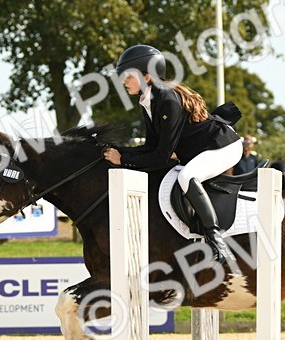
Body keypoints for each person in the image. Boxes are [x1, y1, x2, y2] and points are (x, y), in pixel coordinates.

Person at [102, 44, 243, 266]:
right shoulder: (148, 101)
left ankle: (217, 241)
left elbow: (161, 157)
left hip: (223, 146)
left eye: (128, 77)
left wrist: (124, 160)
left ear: (146, 76)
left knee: (186, 177)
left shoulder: (167, 100)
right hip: (205, 147)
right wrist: (120, 151)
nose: (123, 82)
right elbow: (151, 147)